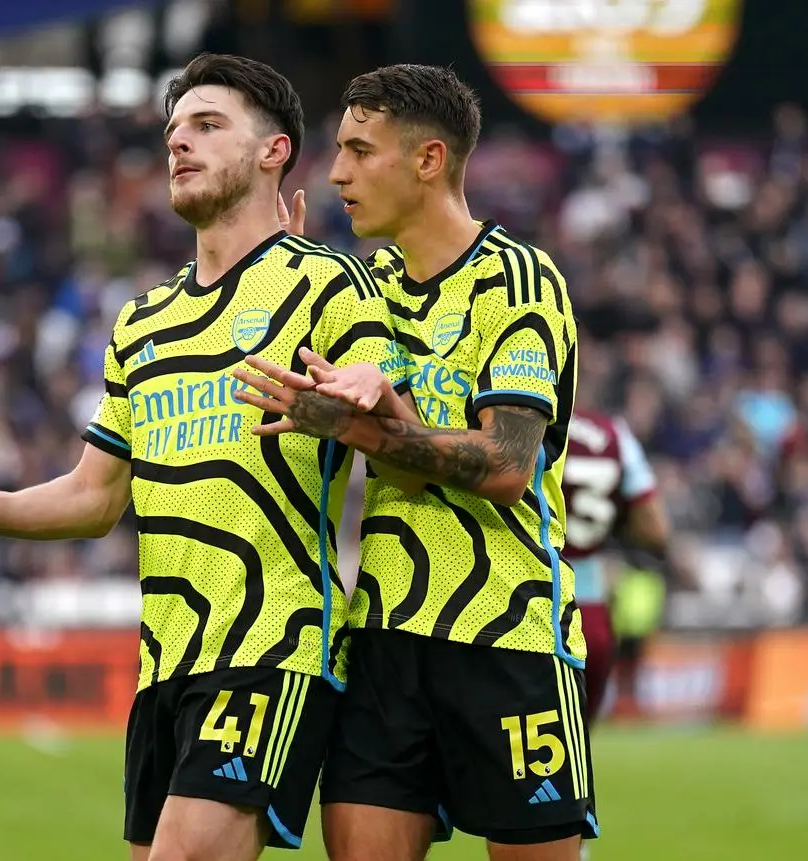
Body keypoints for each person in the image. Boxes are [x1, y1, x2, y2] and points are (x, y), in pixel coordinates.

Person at [0, 53, 409, 861]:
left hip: (272, 644)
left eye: (208, 125)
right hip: (165, 665)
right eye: (174, 130)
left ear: (274, 151)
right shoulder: (143, 323)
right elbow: (93, 496)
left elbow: (389, 401)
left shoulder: (327, 283)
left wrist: (373, 386)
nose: (179, 143)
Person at [231, 65, 595, 861]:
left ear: (428, 160)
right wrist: (286, 276)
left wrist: (371, 428)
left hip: (508, 635)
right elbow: (399, 468)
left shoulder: (520, 282)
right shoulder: (364, 291)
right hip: (386, 640)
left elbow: (505, 464)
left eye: (360, 151)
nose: (335, 173)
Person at [562, 406, 671, 720]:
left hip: (519, 597)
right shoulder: (616, 435)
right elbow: (656, 528)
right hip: (589, 610)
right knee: (577, 741)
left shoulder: (523, 414)